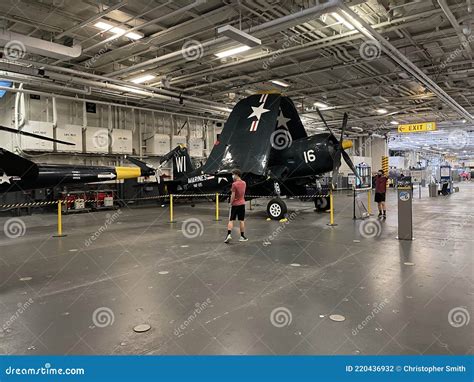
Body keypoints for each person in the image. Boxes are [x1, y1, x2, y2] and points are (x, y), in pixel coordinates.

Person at [225, 169, 248, 243]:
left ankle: (228, 235)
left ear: (236, 175)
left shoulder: (234, 184)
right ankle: (242, 236)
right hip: (242, 204)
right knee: (241, 221)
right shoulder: (244, 183)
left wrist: (230, 203)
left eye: (233, 174)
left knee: (231, 220)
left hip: (235, 204)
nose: (232, 176)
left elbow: (233, 195)